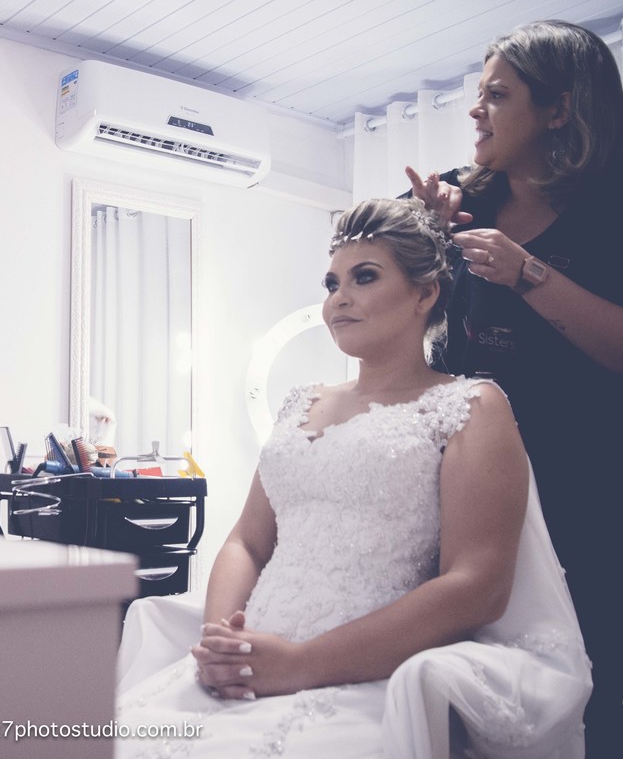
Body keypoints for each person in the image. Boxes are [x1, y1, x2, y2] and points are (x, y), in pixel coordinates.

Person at [113, 197, 591, 758]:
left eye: (364, 277)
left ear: (424, 294)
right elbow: (247, 541)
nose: (339, 297)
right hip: (249, 662)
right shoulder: (299, 403)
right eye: (332, 282)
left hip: (366, 675)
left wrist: (300, 664)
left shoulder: (470, 406)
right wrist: (224, 642)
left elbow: (477, 585)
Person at [405, 19, 623, 756]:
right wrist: (419, 239)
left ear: (559, 109)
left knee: (590, 694)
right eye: (478, 94)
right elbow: (362, 287)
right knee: (476, 686)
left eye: (497, 94)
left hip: (597, 494)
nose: (475, 109)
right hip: (472, 486)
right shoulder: (456, 196)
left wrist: (529, 275)